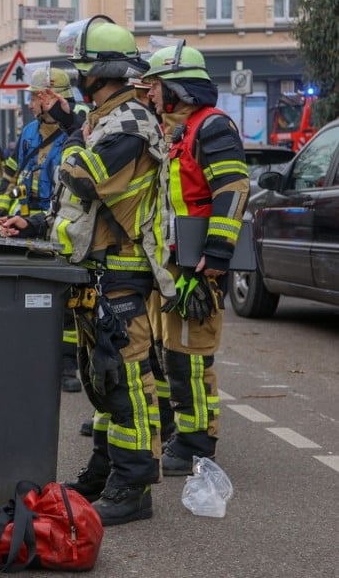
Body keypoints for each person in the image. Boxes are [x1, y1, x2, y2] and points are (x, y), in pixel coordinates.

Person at [0, 15, 175, 526]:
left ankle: (135, 484)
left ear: (99, 71)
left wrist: (74, 134)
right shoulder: (105, 119)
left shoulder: (130, 123)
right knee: (102, 380)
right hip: (96, 269)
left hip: (123, 271)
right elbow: (74, 207)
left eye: (82, 67)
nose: (76, 76)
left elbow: (86, 180)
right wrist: (32, 222)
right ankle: (105, 471)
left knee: (128, 379)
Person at [141, 41, 248, 475]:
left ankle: (196, 443)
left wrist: (218, 252)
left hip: (198, 267)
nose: (150, 95)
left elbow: (233, 189)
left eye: (155, 87)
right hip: (173, 266)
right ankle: (182, 434)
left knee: (190, 356)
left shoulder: (212, 128)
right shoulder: (176, 132)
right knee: (170, 353)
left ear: (178, 89)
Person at [0, 67, 83, 393]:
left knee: (68, 299)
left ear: (51, 98)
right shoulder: (30, 132)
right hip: (30, 226)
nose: (29, 103)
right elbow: (11, 174)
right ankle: (33, 358)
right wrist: (0, 209)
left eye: (33, 97)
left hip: (63, 226)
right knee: (31, 293)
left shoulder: (79, 129)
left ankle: (68, 365)